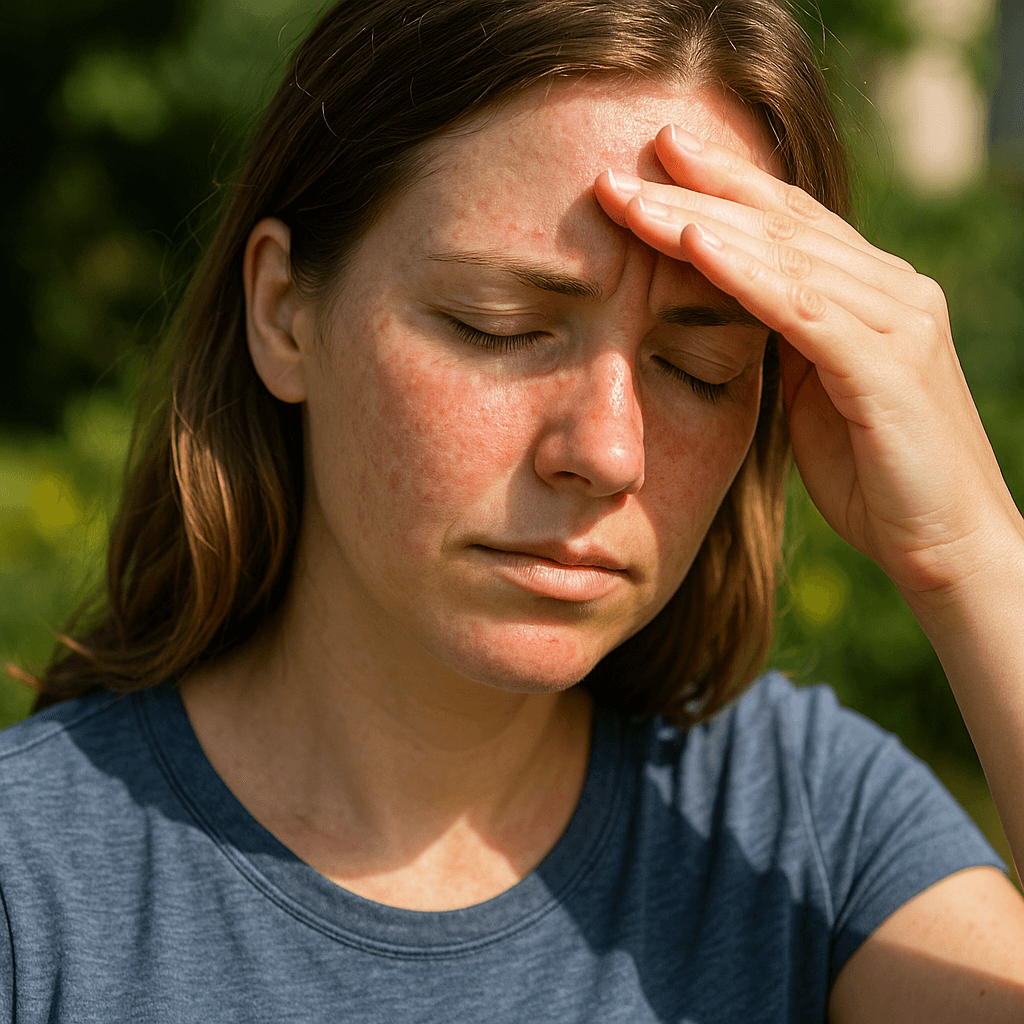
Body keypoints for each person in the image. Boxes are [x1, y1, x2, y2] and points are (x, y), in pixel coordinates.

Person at [5, 0, 1024, 1019]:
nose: (607, 450)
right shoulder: (32, 885)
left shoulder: (804, 833)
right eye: (500, 327)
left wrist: (973, 554)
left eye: (697, 368)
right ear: (283, 310)